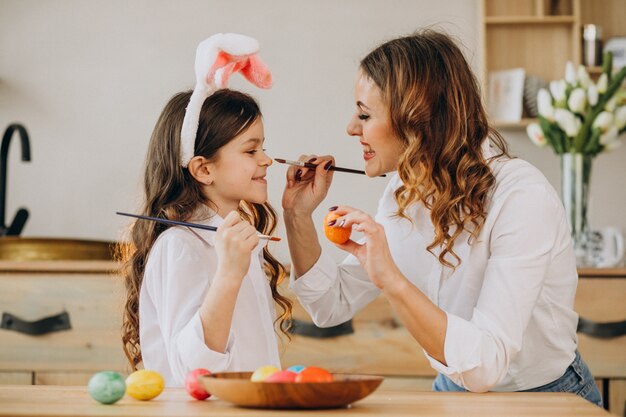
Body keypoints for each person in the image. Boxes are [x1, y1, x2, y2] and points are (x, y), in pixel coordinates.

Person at [282, 30, 602, 406]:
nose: (352, 128)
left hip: (546, 399)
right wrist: (297, 215)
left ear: (417, 119)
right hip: (452, 391)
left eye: (365, 115)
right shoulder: (403, 193)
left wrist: (391, 279)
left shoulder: (521, 198)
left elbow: (486, 364)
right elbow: (330, 305)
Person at [120, 34, 291, 387]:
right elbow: (192, 374)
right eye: (250, 151)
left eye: (263, 147)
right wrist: (229, 275)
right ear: (203, 169)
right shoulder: (179, 247)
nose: (267, 160)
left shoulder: (234, 237)